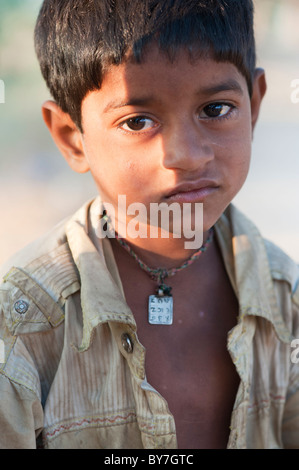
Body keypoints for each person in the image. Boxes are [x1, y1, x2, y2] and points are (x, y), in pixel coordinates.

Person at [0, 0, 298, 450]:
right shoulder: (25, 324)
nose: (187, 155)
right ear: (71, 137)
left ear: (253, 105)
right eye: (138, 121)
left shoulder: (285, 298)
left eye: (216, 109)